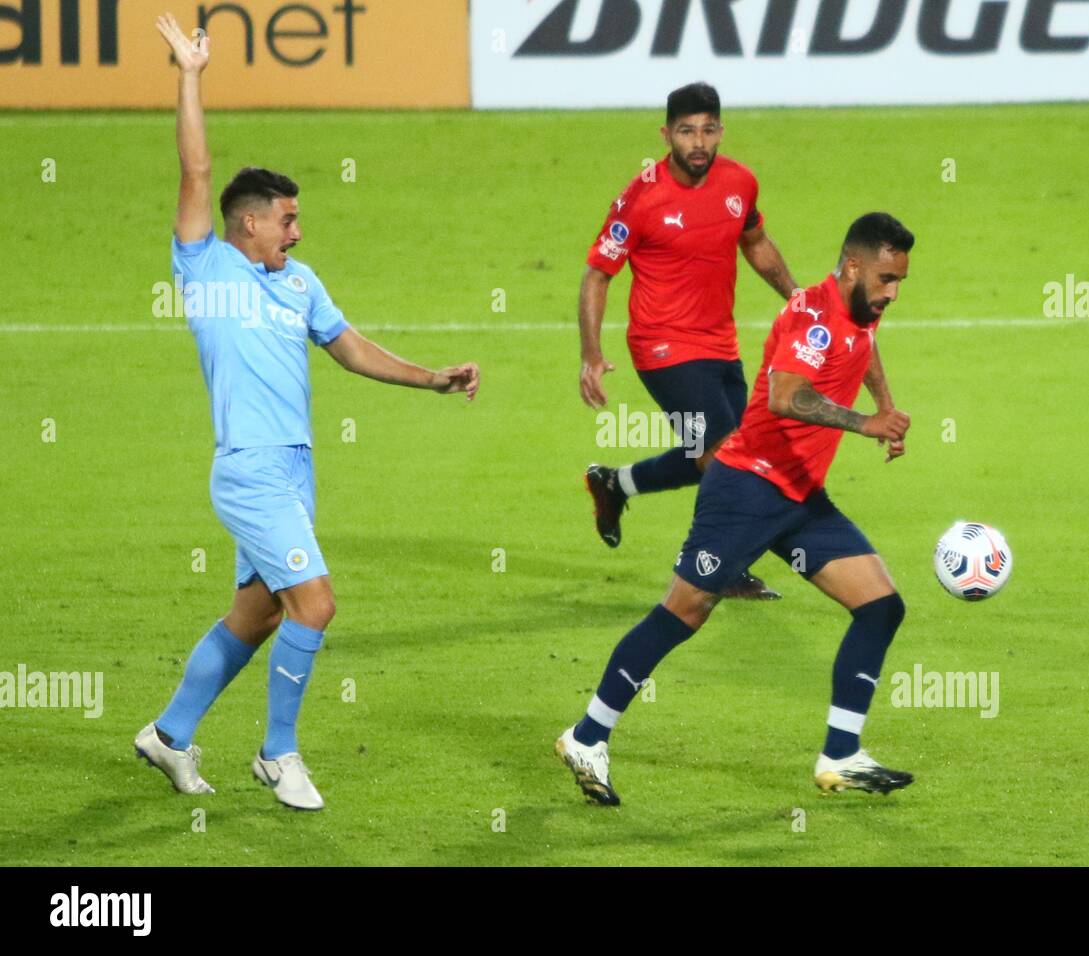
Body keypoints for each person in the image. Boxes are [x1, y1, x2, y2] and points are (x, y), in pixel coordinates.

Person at [134, 13, 479, 810]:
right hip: (249, 469)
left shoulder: (300, 281)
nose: (297, 227)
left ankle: (169, 735)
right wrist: (190, 75)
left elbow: (349, 346)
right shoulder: (207, 266)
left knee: (254, 619)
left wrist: (431, 378)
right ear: (247, 223)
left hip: (295, 469)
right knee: (315, 603)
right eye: (286, 217)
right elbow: (195, 171)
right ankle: (278, 754)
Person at [558, 213, 915, 806]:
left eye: (899, 280)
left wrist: (887, 408)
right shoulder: (814, 317)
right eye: (884, 278)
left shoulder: (861, 311)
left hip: (801, 495)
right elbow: (784, 394)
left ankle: (841, 754)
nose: (892, 292)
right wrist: (863, 422)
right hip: (746, 489)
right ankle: (586, 736)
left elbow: (867, 345)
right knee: (684, 613)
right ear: (852, 266)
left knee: (881, 607)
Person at [580, 82, 798, 600]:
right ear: (666, 134)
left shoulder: (740, 182)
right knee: (724, 454)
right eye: (685, 131)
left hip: (720, 343)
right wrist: (591, 354)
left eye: (706, 130)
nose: (697, 142)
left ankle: (616, 485)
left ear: (720, 130)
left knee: (732, 453)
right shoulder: (641, 198)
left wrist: (794, 296)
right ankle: (712, 564)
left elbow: (756, 241)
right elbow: (597, 274)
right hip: (662, 347)